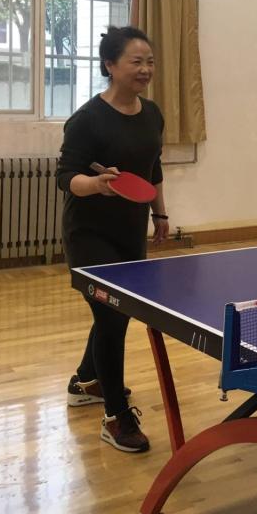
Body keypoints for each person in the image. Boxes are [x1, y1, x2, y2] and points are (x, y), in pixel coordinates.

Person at [58, 26, 169, 453]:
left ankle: (87, 381)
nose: (145, 69)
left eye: (150, 62)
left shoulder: (152, 113)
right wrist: (97, 185)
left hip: (130, 231)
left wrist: (160, 213)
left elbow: (153, 169)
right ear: (110, 65)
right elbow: (66, 177)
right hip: (89, 232)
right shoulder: (87, 119)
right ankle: (116, 417)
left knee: (117, 312)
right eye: (136, 61)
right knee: (110, 316)